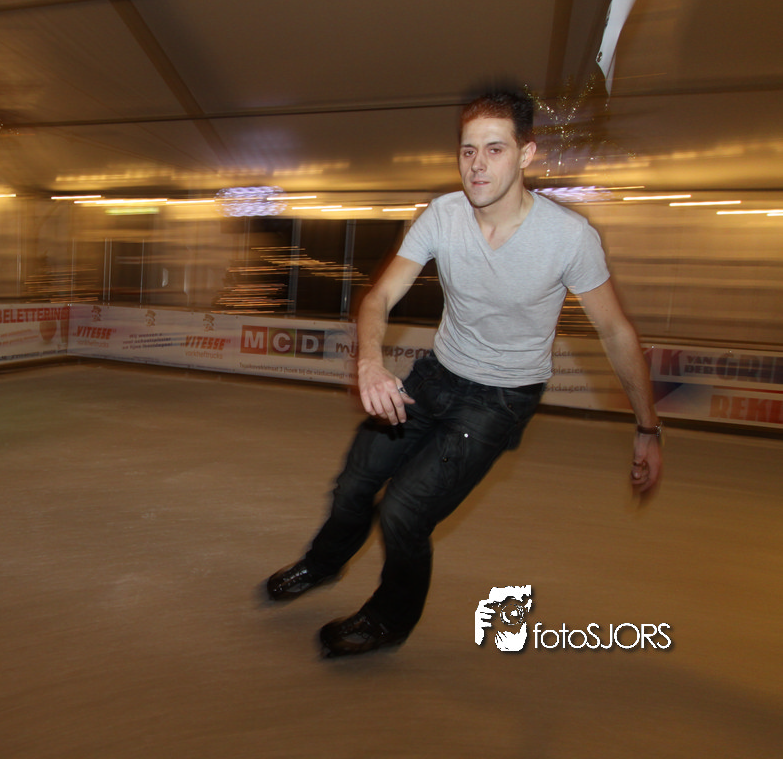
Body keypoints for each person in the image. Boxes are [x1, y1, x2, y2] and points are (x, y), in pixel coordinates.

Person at [265, 88, 663, 658]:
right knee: (356, 478)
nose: (477, 165)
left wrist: (648, 428)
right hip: (438, 375)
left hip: (500, 399)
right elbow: (380, 297)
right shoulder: (442, 215)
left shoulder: (569, 237)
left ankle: (389, 620)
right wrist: (371, 363)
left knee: (404, 511)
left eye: (495, 149)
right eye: (468, 150)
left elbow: (617, 332)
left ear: (526, 154)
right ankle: (323, 563)